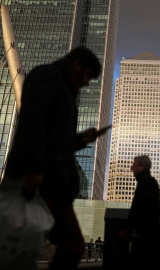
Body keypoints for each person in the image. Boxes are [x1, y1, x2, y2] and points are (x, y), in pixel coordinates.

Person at [2, 46, 111, 270]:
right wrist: (33, 171)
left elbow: (57, 140)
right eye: (88, 76)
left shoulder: (63, 88)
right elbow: (33, 123)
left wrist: (82, 139)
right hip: (40, 181)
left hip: (50, 183)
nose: (88, 83)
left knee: (27, 245)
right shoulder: (48, 77)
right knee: (64, 245)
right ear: (77, 64)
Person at [129, 155, 160, 270]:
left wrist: (139, 232)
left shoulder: (147, 183)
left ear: (143, 166)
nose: (131, 168)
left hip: (144, 242)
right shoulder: (146, 183)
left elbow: (151, 212)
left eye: (134, 165)